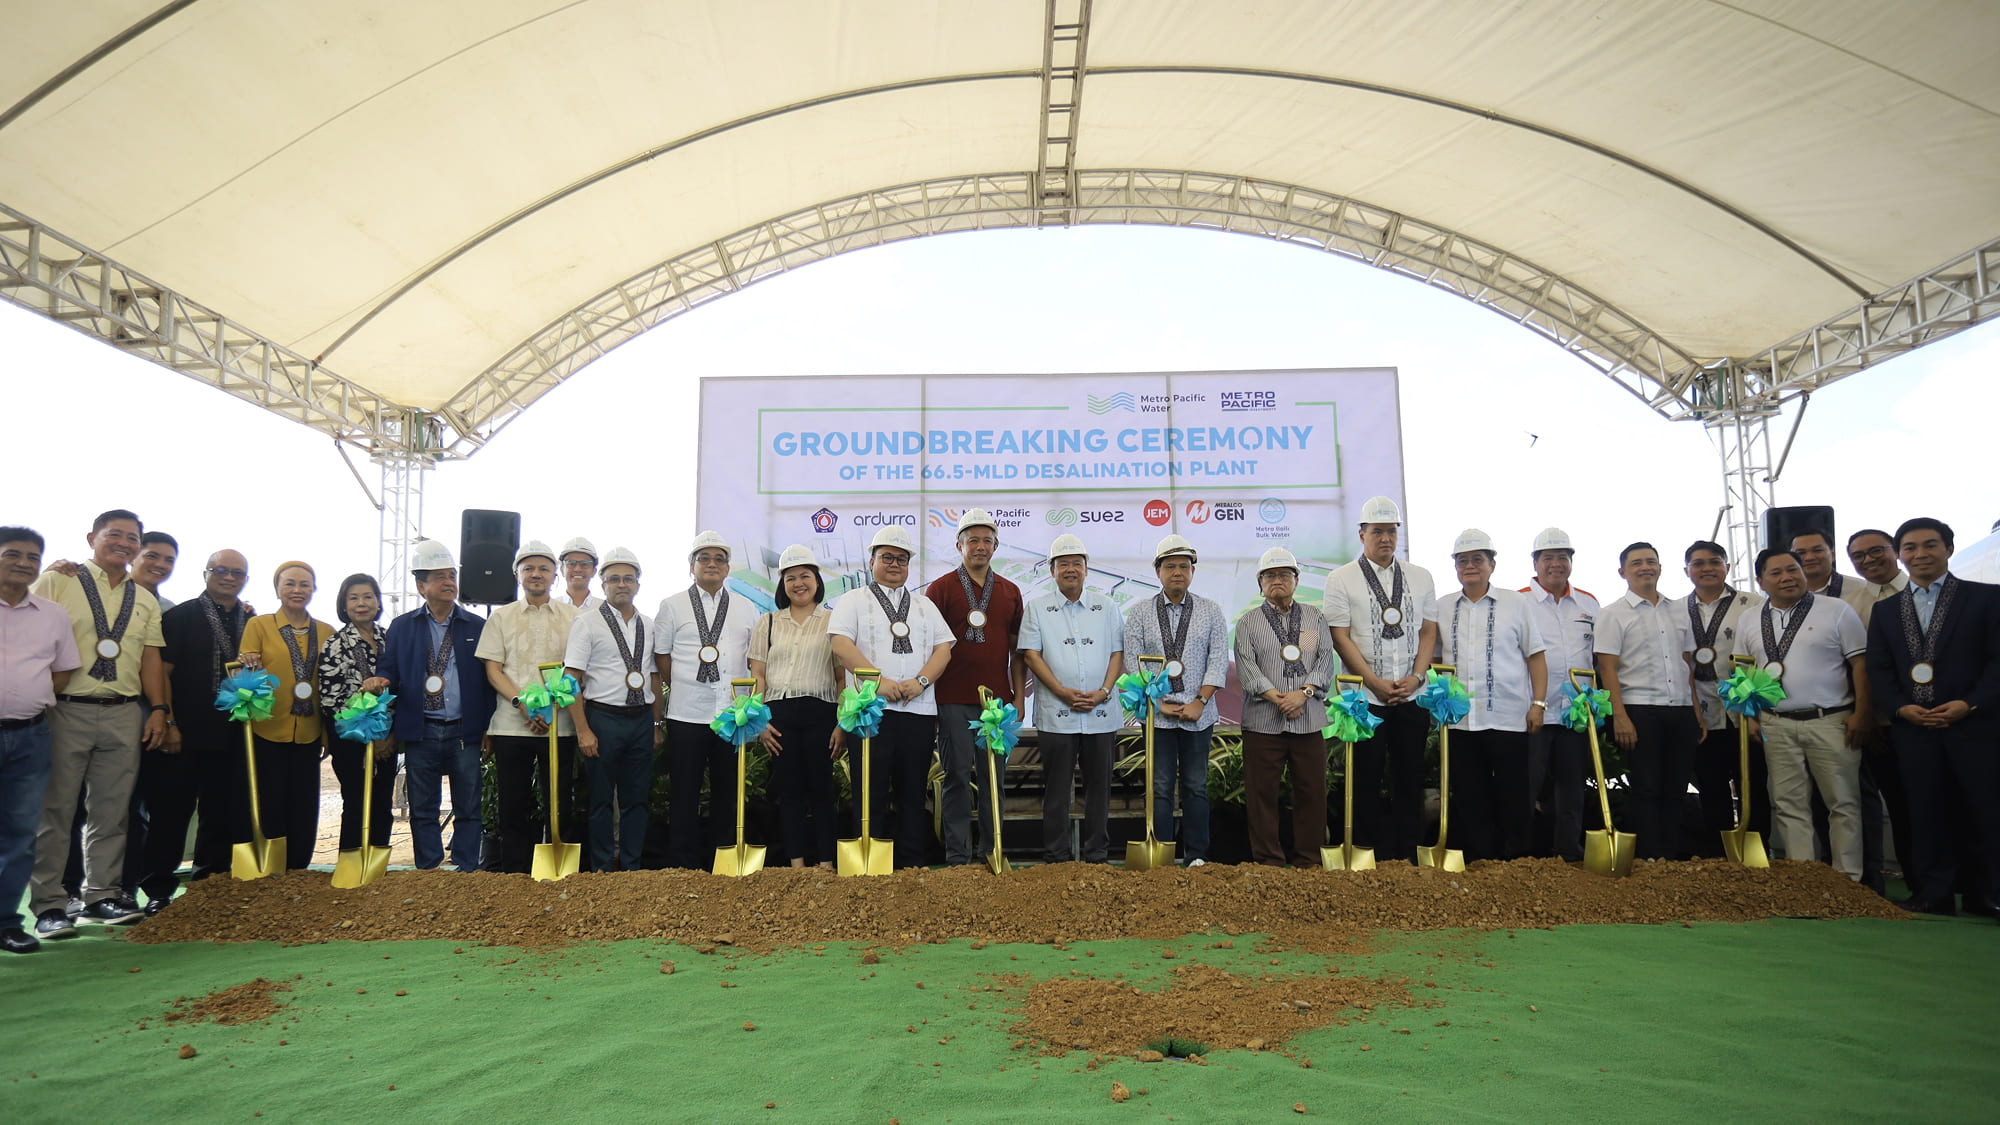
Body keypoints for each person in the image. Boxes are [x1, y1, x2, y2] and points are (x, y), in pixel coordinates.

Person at [28, 510, 166, 937]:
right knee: (57, 809)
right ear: (92, 537)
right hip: (66, 708)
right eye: (115, 534)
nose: (124, 543)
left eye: (132, 537)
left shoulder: (144, 598)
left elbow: (150, 658)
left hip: (124, 711)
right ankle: (50, 905)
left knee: (112, 811)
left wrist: (159, 709)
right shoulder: (57, 581)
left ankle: (101, 895)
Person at [1865, 517, 2000, 917]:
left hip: (1973, 724)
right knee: (1925, 812)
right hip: (1915, 728)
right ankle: (1934, 894)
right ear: (1901, 554)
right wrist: (1899, 707)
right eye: (1910, 547)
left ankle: (1987, 894)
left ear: (1948, 549)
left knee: (1983, 811)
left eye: (1929, 545)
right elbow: (1880, 669)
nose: (1919, 554)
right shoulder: (1887, 610)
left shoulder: (1986, 599)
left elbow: (1997, 663)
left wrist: (1969, 703)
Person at [1733, 548, 1872, 880]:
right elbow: (1742, 671)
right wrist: (1750, 717)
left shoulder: (1836, 610)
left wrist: (1862, 714)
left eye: (1793, 569)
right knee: (1788, 804)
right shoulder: (1750, 618)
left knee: (1843, 803)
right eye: (1777, 572)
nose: (1787, 577)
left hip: (1831, 720)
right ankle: (1803, 880)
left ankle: (1847, 880)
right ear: (1761, 581)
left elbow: (1861, 665)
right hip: (1775, 724)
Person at [828, 526, 954, 869]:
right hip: (871, 711)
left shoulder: (925, 605)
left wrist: (921, 681)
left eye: (901, 558)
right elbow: (841, 644)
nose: (894, 564)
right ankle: (869, 865)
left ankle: (912, 863)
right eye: (887, 557)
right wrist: (877, 682)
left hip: (918, 710)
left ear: (909, 564)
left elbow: (945, 648)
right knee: (869, 790)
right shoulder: (853, 600)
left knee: (913, 791)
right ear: (872, 561)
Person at [1327, 496, 1439, 865]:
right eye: (1377, 531)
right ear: (1362, 534)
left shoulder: (1421, 577)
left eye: (1391, 531)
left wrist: (1417, 676)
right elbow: (1340, 635)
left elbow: (1427, 632)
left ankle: (1408, 856)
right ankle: (1365, 855)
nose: (1385, 538)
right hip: (1365, 700)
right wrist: (1373, 681)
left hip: (1411, 696)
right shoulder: (1340, 578)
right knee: (1364, 781)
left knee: (1409, 779)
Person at [143, 549, 252, 914]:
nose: (229, 577)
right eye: (221, 570)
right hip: (184, 733)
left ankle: (210, 885)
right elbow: (163, 673)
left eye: (238, 572)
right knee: (171, 811)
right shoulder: (180, 616)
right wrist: (169, 721)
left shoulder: (252, 620)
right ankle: (159, 887)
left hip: (233, 734)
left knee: (221, 812)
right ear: (206, 573)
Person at [380, 540, 493, 871]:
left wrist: (486, 728)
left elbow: (488, 682)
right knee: (423, 807)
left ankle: (466, 869)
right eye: (439, 576)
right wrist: (380, 679)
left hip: (464, 730)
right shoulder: (402, 627)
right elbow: (389, 667)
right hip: (421, 729)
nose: (448, 582)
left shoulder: (476, 626)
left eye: (451, 575)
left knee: (469, 806)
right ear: (421, 585)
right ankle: (428, 872)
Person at [1436, 530, 1547, 862]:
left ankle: (1519, 859)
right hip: (1461, 721)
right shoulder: (1442, 607)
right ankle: (1481, 860)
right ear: (1455, 567)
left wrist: (1538, 704)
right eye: (1463, 560)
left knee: (1515, 791)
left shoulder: (1517, 603)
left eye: (1477, 559)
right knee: (1470, 794)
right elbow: (1431, 657)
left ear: (1492, 564)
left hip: (1509, 716)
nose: (1470, 566)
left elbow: (1536, 656)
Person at [925, 509, 1026, 865]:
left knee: (992, 779)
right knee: (954, 777)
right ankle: (957, 857)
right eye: (973, 540)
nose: (980, 547)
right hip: (952, 699)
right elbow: (930, 648)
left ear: (996, 546)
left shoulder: (1011, 592)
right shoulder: (940, 589)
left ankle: (992, 851)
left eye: (987, 540)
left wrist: (1017, 698)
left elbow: (1017, 651)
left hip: (996, 704)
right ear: (959, 545)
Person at [1121, 534, 1229, 867]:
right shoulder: (1139, 613)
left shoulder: (1211, 611)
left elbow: (1217, 659)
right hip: (1158, 717)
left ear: (1193, 571)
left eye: (1184, 566)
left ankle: (1196, 856)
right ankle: (1162, 855)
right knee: (1161, 786)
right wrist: (1158, 705)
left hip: (1200, 713)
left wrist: (1200, 700)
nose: (1177, 572)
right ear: (1158, 571)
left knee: (1196, 786)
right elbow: (1132, 661)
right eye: (1170, 566)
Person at [654, 531, 760, 869]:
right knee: (685, 791)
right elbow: (663, 657)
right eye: (704, 558)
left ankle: (724, 861)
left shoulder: (746, 607)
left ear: (728, 568)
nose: (711, 564)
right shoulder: (671, 606)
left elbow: (755, 657)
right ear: (691, 566)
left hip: (732, 715)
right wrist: (684, 686)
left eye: (719, 559)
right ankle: (684, 864)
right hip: (687, 714)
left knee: (727, 792)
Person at [477, 540, 581, 874]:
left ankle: (554, 870)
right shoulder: (501, 618)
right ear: (518, 575)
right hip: (511, 723)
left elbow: (576, 668)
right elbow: (493, 670)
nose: (536, 575)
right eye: (529, 569)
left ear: (555, 576)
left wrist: (549, 708)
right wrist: (523, 705)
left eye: (544, 569)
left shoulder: (574, 617)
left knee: (559, 800)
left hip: (559, 725)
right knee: (513, 802)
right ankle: (515, 873)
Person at [1594, 542, 1702, 861]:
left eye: (1651, 562)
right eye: (1637, 563)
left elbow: (1687, 664)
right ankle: (1647, 857)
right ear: (1622, 572)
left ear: (1660, 567)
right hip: (1639, 709)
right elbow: (1607, 668)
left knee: (1676, 786)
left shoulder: (1679, 610)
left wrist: (1696, 712)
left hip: (1680, 709)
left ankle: (1670, 855)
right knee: (1646, 786)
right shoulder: (1612, 614)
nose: (1645, 567)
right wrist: (1620, 716)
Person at [0, 528, 81, 953]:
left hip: (30, 734)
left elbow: (63, 671)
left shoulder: (52, 614)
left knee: (19, 833)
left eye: (33, 557)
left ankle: (6, 922)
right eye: (13, 554)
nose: (24, 563)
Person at [1018, 533, 1122, 864]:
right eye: (1063, 564)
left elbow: (1118, 653)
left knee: (1099, 789)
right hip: (1056, 713)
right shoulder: (1036, 608)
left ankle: (1097, 855)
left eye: (1077, 563)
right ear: (1052, 570)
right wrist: (1062, 692)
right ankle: (1056, 857)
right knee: (1057, 790)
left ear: (1087, 569)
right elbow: (1031, 656)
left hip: (1101, 713)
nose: (1071, 569)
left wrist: (1104, 691)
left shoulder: (1107, 606)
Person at [1234, 547, 1334, 868]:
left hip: (1308, 720)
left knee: (1311, 793)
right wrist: (1279, 698)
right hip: (1263, 723)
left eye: (1284, 575)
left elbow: (1324, 662)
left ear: (1296, 580)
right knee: (1262, 796)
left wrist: (1302, 694)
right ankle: (1269, 862)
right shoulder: (1248, 622)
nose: (1277, 580)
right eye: (1270, 575)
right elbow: (1247, 669)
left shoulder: (1315, 618)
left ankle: (1308, 860)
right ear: (1260, 583)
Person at [748, 545, 844, 869]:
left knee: (822, 789)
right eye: (791, 577)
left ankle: (827, 863)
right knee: (787, 791)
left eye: (805, 575)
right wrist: (759, 721)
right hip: (779, 715)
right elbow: (757, 674)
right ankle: (796, 865)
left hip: (821, 712)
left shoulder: (833, 621)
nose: (798, 583)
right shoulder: (768, 622)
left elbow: (841, 677)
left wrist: (841, 723)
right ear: (782, 584)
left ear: (817, 580)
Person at [564, 547, 658, 872]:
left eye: (628, 579)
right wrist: (582, 729)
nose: (622, 584)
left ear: (637, 585)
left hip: (641, 720)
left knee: (637, 800)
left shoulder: (649, 624)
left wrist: (657, 723)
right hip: (602, 720)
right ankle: (602, 867)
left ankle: (632, 866)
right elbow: (569, 681)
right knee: (601, 800)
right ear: (602, 584)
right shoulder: (586, 624)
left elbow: (654, 675)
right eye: (614, 579)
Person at [234, 562, 333, 870]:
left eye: (304, 584)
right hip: (266, 727)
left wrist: (327, 734)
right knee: (269, 799)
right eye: (289, 584)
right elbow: (242, 676)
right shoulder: (259, 626)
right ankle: (269, 867)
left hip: (309, 730)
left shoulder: (327, 631)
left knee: (304, 803)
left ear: (314, 590)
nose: (297, 590)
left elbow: (330, 686)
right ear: (277, 588)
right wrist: (246, 664)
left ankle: (298, 866)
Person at [1520, 527, 1600, 862]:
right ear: (1535, 562)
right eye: (1548, 557)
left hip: (1575, 714)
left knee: (1571, 788)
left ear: (1571, 561)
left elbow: (1598, 656)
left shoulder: (1589, 603)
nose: (1556, 564)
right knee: (1527, 785)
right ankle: (1522, 852)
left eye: (1562, 557)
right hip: (1532, 710)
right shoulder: (1519, 600)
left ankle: (1569, 852)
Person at [1681, 540, 1764, 855]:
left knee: (1752, 784)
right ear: (1687, 570)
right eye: (1698, 563)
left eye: (1714, 562)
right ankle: (1718, 856)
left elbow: (1761, 656)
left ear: (1727, 567)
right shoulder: (1676, 610)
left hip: (1745, 712)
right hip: (1701, 713)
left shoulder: (1753, 603)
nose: (1706, 568)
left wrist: (1752, 712)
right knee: (1711, 786)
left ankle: (1756, 850)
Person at [1846, 527, 1912, 890]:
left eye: (1877, 551)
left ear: (1895, 552)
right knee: (1897, 804)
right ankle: (1919, 880)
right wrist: (1866, 715)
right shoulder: (1851, 605)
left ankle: (1972, 880)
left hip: (1947, 716)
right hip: (1880, 721)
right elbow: (1858, 666)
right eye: (1859, 556)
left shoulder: (1929, 593)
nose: (1869, 560)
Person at [319, 573, 394, 861]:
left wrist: (387, 737)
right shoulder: (334, 644)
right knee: (355, 803)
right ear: (344, 604)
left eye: (368, 597)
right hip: (350, 740)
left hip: (388, 739)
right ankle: (351, 868)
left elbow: (403, 689)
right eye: (354, 598)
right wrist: (367, 735)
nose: (361, 603)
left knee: (382, 805)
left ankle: (377, 867)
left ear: (377, 602)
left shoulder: (391, 638)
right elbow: (330, 700)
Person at [1791, 528, 1869, 620]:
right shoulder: (1782, 595)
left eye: (1817, 550)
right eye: (1801, 553)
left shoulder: (1862, 589)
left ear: (1833, 555)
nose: (1809, 557)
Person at [559, 537, 602, 611]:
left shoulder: (604, 609)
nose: (577, 569)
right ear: (562, 570)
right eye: (571, 563)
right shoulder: (551, 608)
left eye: (584, 564)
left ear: (594, 571)